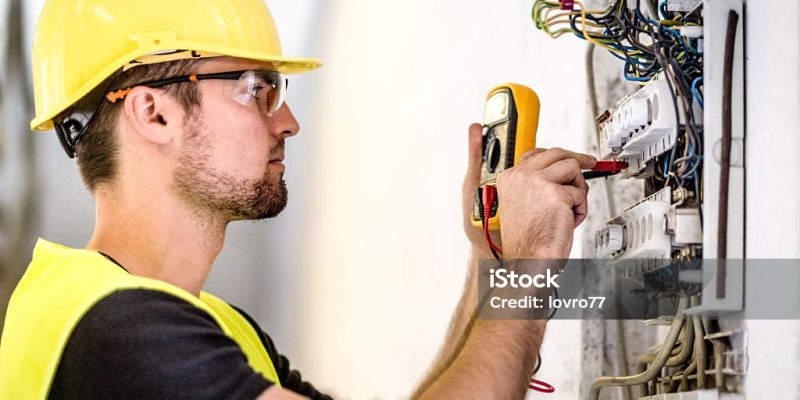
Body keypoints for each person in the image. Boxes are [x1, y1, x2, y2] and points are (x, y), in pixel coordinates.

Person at [0, 0, 595, 399]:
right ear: (153, 112)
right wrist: (531, 267)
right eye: (256, 90)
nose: (287, 121)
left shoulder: (207, 326)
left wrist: (490, 261)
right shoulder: (118, 332)